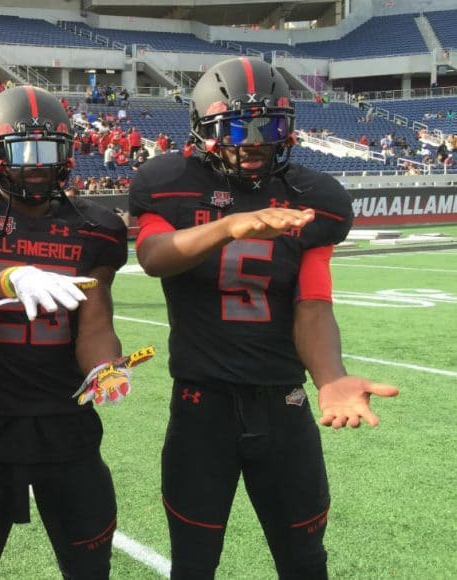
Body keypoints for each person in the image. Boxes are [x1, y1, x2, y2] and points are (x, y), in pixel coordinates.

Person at [128, 56, 400, 579]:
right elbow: (154, 255)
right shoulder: (171, 182)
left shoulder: (314, 199)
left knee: (304, 563)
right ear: (205, 130)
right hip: (201, 408)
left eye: (268, 125)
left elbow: (313, 304)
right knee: (193, 564)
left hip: (282, 404)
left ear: (288, 128)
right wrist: (230, 226)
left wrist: (331, 378)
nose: (254, 139)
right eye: (237, 125)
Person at [0, 86, 135, 578]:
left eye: (48, 151)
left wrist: (105, 367)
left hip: (69, 427)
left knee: (90, 570)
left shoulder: (95, 227)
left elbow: (96, 323)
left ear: (67, 156)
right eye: (21, 150)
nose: (36, 165)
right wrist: (8, 275)